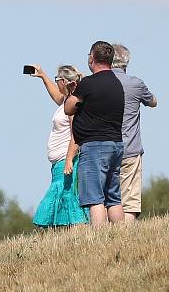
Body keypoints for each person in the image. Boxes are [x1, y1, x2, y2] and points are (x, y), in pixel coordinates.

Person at [64, 41, 125, 225]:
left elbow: (68, 109)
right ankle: (122, 234)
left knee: (95, 198)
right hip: (116, 144)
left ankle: (99, 239)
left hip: (94, 146)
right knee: (113, 197)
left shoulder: (88, 84)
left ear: (92, 58)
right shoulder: (117, 83)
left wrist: (71, 92)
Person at [27, 64, 89, 227]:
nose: (56, 84)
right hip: (59, 161)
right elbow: (56, 95)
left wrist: (69, 159)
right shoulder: (65, 102)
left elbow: (75, 134)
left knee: (68, 197)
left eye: (57, 80)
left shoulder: (72, 104)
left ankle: (79, 231)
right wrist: (43, 76)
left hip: (65, 160)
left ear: (63, 81)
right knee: (64, 197)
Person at [111, 44, 157, 222]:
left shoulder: (98, 83)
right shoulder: (135, 83)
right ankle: (126, 235)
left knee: (109, 197)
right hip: (130, 147)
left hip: (106, 147)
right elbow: (152, 101)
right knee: (129, 200)